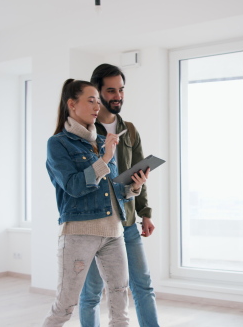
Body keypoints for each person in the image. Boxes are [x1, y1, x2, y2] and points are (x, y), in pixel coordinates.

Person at [42, 79, 149, 327]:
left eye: (98, 102)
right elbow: (74, 186)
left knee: (120, 302)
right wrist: (106, 158)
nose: (97, 107)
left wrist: (135, 185)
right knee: (65, 306)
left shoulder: (101, 143)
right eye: (91, 101)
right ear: (72, 104)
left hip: (114, 232)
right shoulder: (58, 144)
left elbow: (113, 190)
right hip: (79, 233)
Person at [79, 64, 160, 327]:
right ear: (98, 93)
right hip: (97, 225)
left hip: (126, 222)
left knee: (142, 285)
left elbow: (139, 172)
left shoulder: (131, 130)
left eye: (121, 90)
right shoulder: (85, 133)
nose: (118, 96)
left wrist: (145, 213)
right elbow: (85, 180)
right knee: (91, 292)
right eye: (111, 90)